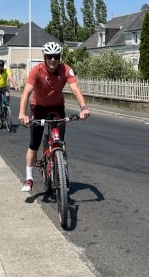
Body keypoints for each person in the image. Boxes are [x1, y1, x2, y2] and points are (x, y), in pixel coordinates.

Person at [18, 42, 90, 192]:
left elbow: (75, 89)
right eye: (49, 57)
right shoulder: (37, 70)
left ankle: (62, 174)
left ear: (59, 57)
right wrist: (22, 113)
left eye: (56, 57)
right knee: (34, 144)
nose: (52, 60)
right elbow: (26, 93)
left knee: (59, 142)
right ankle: (29, 178)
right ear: (45, 57)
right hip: (38, 108)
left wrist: (83, 108)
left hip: (57, 107)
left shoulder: (66, 69)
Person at [0, 59, 19, 127]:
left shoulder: (6, 70)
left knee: (8, 94)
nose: (1, 67)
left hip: (4, 88)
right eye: (0, 66)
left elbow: (11, 78)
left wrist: (15, 85)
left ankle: (6, 105)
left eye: (2, 66)